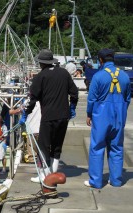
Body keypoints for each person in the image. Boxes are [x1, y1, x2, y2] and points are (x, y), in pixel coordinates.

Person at [19, 49, 79, 183]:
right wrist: (72, 108)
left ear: (41, 63)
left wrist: (25, 114)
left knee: (43, 147)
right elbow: (74, 93)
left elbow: (32, 100)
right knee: (57, 146)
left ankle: (43, 176)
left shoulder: (40, 77)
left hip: (48, 117)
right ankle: (53, 173)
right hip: (64, 116)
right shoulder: (64, 73)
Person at [84, 49, 131, 189]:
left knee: (97, 147)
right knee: (117, 147)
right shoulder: (124, 76)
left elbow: (91, 99)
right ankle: (116, 181)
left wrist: (89, 114)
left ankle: (96, 181)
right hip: (119, 116)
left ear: (101, 60)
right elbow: (127, 98)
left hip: (101, 116)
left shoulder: (98, 76)